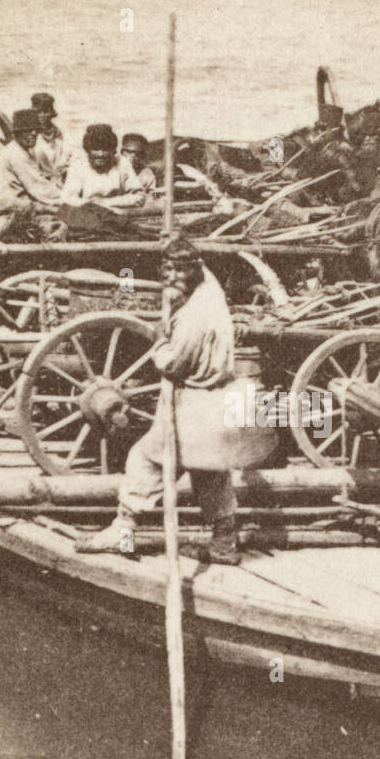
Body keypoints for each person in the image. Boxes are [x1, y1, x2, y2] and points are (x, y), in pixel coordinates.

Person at [76, 237, 240, 564]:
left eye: (179, 275)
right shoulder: (207, 285)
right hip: (214, 400)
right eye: (168, 273)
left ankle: (122, 531)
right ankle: (224, 544)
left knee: (145, 459)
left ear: (192, 271)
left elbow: (173, 363)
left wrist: (160, 341)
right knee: (210, 470)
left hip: (190, 402)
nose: (172, 281)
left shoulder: (195, 316)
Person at [0, 109, 66, 212]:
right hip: (5, 203)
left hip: (18, 198)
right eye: (27, 130)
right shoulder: (16, 153)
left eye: (36, 130)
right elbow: (37, 186)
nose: (33, 133)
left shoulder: (26, 150)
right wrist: (66, 197)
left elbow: (47, 174)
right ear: (17, 133)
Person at [61, 124, 148, 209]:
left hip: (117, 213)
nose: (100, 154)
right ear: (87, 150)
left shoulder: (122, 163)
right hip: (87, 214)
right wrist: (90, 203)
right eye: (95, 149)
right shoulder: (78, 166)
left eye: (105, 149)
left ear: (112, 150)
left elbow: (139, 197)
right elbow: (68, 199)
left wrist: (105, 202)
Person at [30, 92, 67, 182]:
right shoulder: (30, 135)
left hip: (57, 177)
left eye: (45, 112)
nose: (42, 116)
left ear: (51, 113)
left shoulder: (57, 133)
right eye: (38, 112)